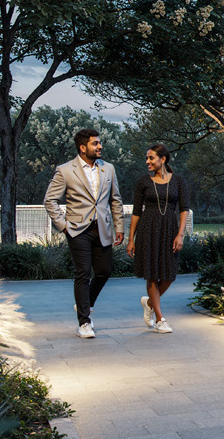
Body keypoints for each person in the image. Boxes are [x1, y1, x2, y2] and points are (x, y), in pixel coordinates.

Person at [44, 127, 124, 338]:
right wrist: (63, 225)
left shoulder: (109, 169)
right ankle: (84, 322)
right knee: (82, 273)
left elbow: (115, 200)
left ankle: (84, 303)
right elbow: (50, 200)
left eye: (99, 142)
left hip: (103, 228)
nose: (100, 146)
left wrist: (119, 227)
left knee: (104, 271)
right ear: (82, 148)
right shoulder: (65, 170)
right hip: (77, 230)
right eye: (95, 143)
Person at [127, 144, 190, 334]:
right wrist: (131, 239)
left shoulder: (178, 181)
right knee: (152, 273)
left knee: (169, 275)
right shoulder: (143, 182)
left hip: (170, 230)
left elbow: (184, 209)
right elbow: (136, 212)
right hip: (148, 229)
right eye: (146, 158)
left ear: (162, 159)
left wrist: (180, 234)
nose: (147, 161)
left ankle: (149, 303)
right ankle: (160, 319)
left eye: (151, 158)